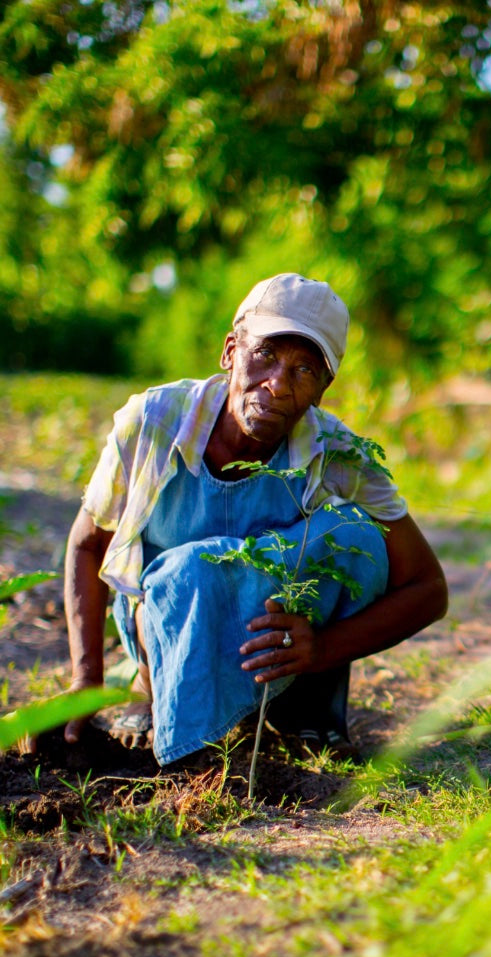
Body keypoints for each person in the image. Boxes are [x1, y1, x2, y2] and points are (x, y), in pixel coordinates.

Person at [54, 272, 447, 764]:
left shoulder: (338, 453)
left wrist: (322, 649)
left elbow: (428, 588)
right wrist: (85, 681)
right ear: (229, 351)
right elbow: (88, 544)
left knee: (355, 537)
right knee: (192, 572)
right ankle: (155, 683)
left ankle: (306, 696)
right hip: (162, 618)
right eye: (264, 355)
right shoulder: (153, 422)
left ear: (324, 388)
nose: (277, 386)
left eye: (304, 370)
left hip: (278, 644)